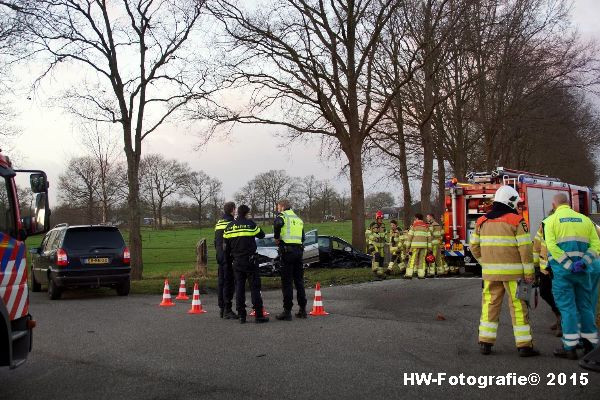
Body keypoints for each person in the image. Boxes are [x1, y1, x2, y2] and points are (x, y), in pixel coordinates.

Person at [470, 185, 539, 357]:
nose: (517, 206)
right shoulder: (517, 221)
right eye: (516, 203)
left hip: (490, 274)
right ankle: (524, 345)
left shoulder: (481, 221)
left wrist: (485, 262)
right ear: (510, 202)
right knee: (518, 307)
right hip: (515, 275)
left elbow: (474, 246)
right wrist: (529, 273)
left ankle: (485, 342)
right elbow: (525, 249)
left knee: (490, 306)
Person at [543, 193, 600, 359]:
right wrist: (583, 262)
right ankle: (591, 345)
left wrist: (568, 265)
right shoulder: (585, 220)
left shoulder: (550, 221)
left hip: (563, 273)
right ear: (568, 204)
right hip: (583, 271)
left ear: (554, 205)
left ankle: (570, 347)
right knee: (585, 306)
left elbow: (552, 247)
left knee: (567, 308)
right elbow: (596, 245)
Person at [223, 205, 269, 324]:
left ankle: (241, 315)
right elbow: (262, 235)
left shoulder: (229, 227)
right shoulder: (251, 224)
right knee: (255, 287)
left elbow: (226, 245)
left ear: (238, 212)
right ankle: (258, 315)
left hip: (237, 261)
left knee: (239, 288)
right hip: (250, 261)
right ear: (247, 213)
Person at [273, 199, 307, 321]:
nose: (277, 209)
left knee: (287, 282)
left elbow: (277, 224)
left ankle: (287, 311)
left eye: (278, 206)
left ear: (282, 207)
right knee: (299, 281)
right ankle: (302, 309)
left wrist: (277, 238)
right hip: (298, 251)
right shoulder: (298, 219)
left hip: (287, 252)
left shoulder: (282, 216)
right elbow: (303, 237)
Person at [532, 213, 562, 337]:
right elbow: (536, 247)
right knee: (544, 292)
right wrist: (535, 267)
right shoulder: (543, 225)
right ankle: (558, 315)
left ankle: (562, 323)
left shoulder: (562, 226)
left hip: (560, 268)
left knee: (562, 295)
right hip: (546, 269)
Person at [214, 202, 237, 319]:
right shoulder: (231, 223)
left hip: (219, 255)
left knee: (221, 282)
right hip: (228, 256)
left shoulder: (219, 222)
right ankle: (228, 309)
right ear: (233, 210)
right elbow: (233, 242)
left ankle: (222, 308)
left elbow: (216, 241)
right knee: (229, 282)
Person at [404, 214, 432, 279]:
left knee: (412, 260)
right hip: (424, 246)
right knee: (422, 261)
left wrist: (407, 248)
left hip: (415, 246)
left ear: (416, 218)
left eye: (415, 219)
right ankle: (421, 275)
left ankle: (408, 274)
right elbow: (429, 238)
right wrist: (429, 248)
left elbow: (409, 237)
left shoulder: (414, 226)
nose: (414, 220)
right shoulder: (426, 226)